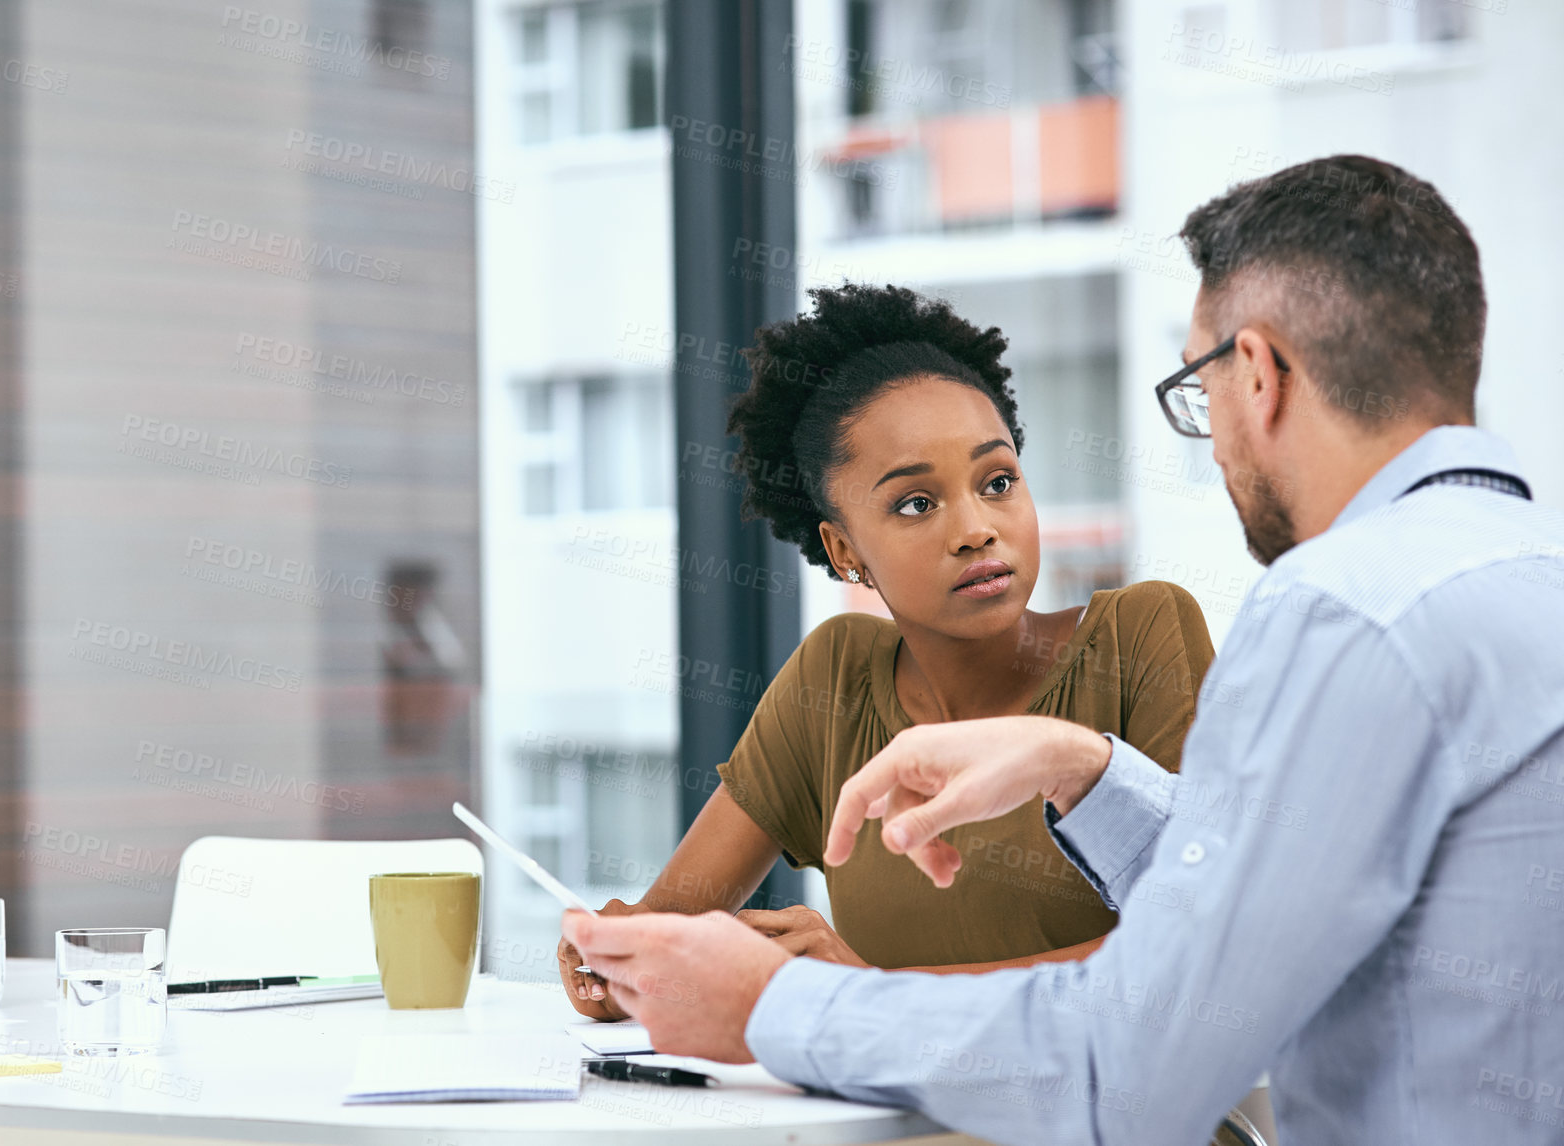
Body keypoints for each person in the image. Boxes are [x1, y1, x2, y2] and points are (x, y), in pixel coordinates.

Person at [562, 154, 1564, 1145]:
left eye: (1198, 387)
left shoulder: (1344, 613)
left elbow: (1129, 1072)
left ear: (1254, 374)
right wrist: (1089, 771)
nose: (1209, 441)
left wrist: (778, 1007)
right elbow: (1285, 891)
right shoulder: (1520, 583)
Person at [560, 283, 1215, 1020]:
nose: (975, 528)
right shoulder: (834, 679)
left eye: (997, 482)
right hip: (896, 1132)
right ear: (845, 552)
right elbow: (668, 932)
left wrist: (866, 995)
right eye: (916, 503)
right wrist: (614, 962)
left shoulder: (1141, 637)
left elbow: (1189, 963)